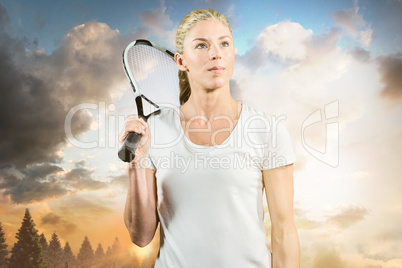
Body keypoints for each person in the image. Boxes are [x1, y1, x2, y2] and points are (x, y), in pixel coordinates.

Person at [120, 8, 300, 268]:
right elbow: (140, 236)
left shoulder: (267, 130)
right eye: (202, 45)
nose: (216, 53)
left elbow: (284, 233)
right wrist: (136, 164)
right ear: (181, 62)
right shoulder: (154, 131)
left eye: (224, 43)